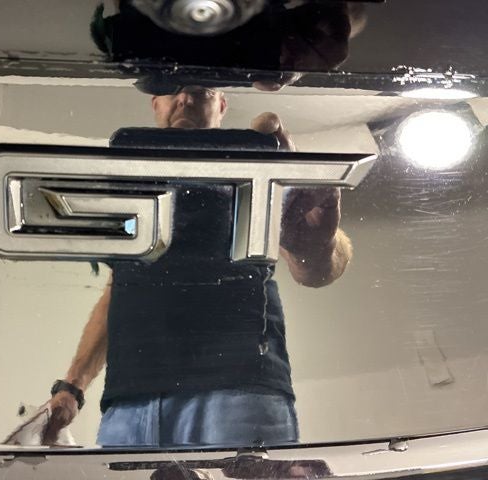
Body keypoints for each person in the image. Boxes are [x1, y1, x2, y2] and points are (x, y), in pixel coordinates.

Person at [41, 86, 353, 447]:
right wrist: (73, 385)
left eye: (200, 91)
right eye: (171, 90)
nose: (185, 99)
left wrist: (317, 246)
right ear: (155, 102)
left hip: (236, 391)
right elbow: (119, 288)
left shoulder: (250, 169)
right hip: (130, 402)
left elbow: (322, 268)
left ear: (221, 104)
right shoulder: (132, 182)